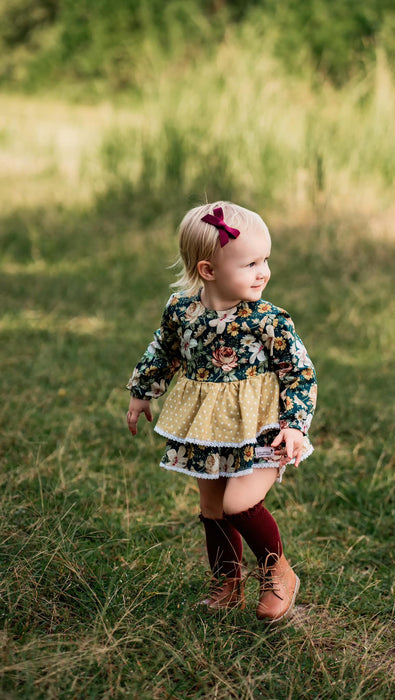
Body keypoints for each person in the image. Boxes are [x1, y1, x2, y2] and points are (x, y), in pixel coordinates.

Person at [126, 201, 317, 622]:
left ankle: (278, 572)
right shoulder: (182, 310)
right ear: (209, 271)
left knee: (239, 503)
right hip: (208, 429)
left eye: (265, 260)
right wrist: (143, 391)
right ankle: (228, 582)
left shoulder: (267, 319)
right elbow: (164, 350)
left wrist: (295, 425)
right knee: (213, 508)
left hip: (261, 428)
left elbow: (299, 371)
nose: (263, 271)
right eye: (250, 263)